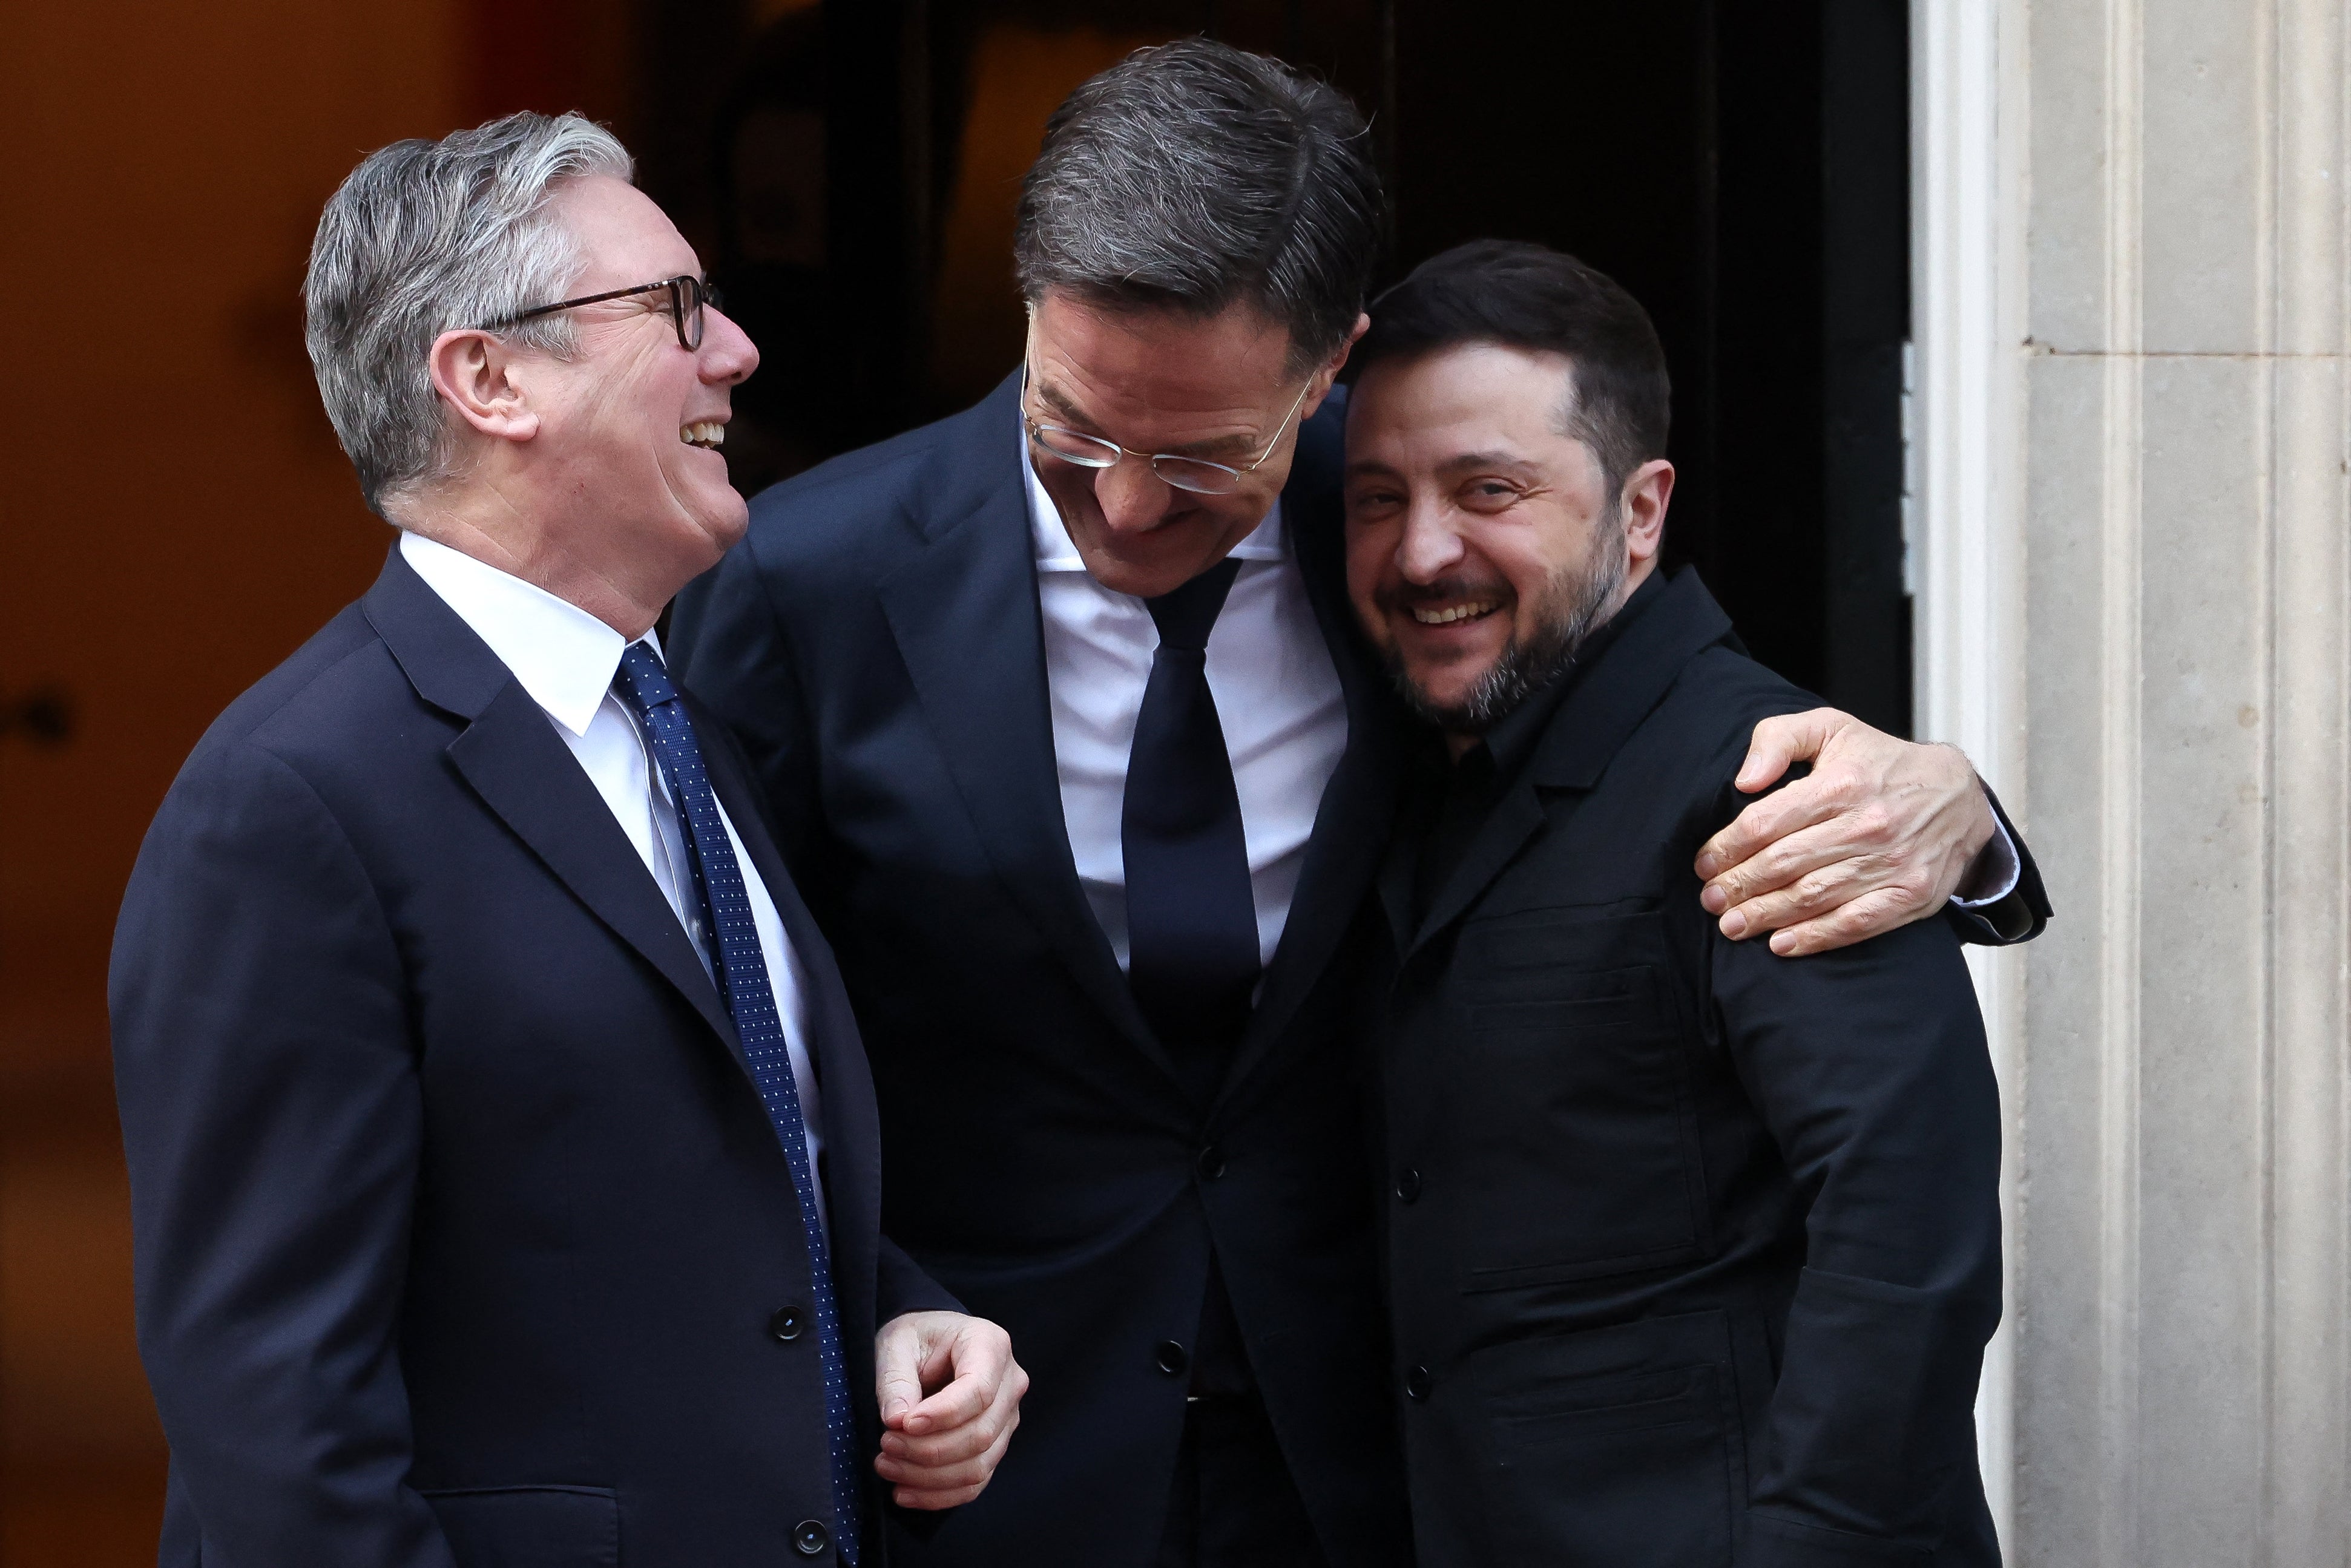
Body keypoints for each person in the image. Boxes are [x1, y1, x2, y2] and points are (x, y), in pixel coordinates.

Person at [668, 40, 2039, 1568]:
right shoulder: (800, 585)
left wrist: (1956, 810)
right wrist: (881, 1299)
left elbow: (1650, 715)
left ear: (1330, 370)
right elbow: (728, 1039)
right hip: (991, 1467)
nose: (1126, 507)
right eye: (1075, 431)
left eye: (1200, 458)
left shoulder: (1404, 528)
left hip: (1374, 1470)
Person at [110, 113, 1024, 1568]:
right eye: (675, 308)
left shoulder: (674, 723)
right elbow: (277, 1426)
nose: (735, 349)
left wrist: (899, 1310)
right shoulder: (288, 805)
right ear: (489, 377)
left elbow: (689, 1185)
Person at [1343, 239, 2011, 1566]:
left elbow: (1903, 1233)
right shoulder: (1395, 761)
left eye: (1489, 489)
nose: (1424, 552)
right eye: (1376, 498)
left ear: (1640, 512)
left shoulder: (1786, 790)